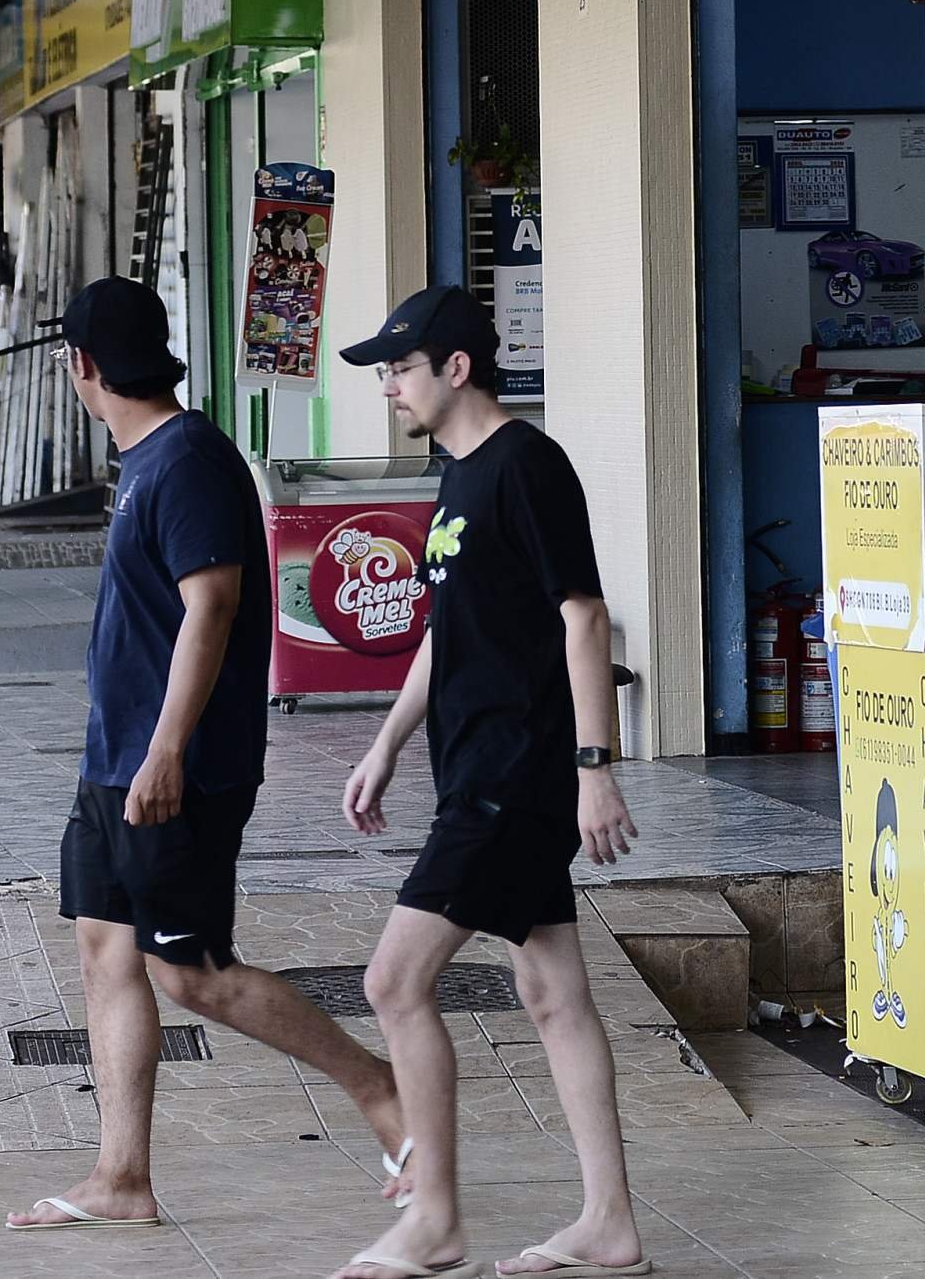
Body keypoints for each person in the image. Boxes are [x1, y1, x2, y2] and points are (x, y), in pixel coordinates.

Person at [7, 277, 413, 1237]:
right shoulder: (148, 459)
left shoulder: (187, 460)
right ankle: (122, 1176)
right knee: (105, 950)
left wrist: (165, 753)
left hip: (171, 768)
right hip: (117, 763)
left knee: (192, 972)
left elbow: (214, 607)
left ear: (83, 366)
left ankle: (383, 1091)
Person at [331, 286, 650, 1279]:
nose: (389, 385)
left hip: (517, 772)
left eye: (400, 367)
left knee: (393, 978)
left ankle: (435, 1219)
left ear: (455, 367)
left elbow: (584, 617)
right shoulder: (458, 475)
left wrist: (595, 767)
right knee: (551, 987)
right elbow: (446, 626)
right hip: (473, 764)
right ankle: (610, 1223)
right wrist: (385, 742)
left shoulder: (527, 465)